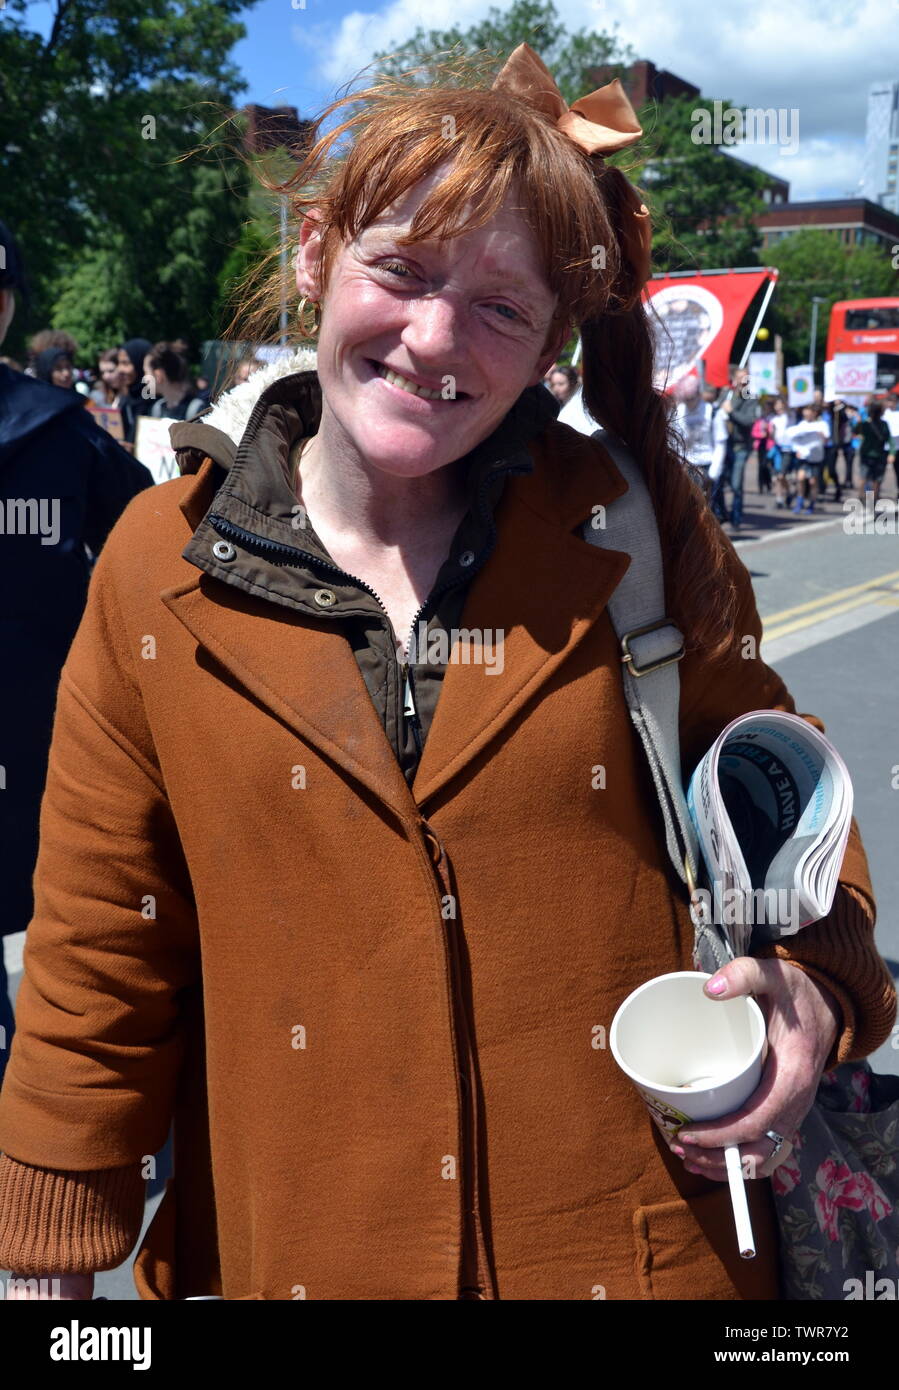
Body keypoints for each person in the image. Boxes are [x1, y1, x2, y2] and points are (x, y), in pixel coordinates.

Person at [0, 47, 893, 1303]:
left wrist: (812, 984)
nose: (434, 341)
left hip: (640, 1260)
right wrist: (51, 1270)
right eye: (402, 272)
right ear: (315, 253)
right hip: (298, 1255)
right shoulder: (159, 564)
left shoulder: (627, 535)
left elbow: (783, 790)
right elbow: (100, 948)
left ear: (546, 351)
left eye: (500, 308)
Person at [0, 220, 154, 1096]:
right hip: (39, 733)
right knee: (61, 921)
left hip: (44, 735)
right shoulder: (64, 433)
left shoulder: (67, 431)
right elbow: (152, 544)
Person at [710, 366, 759, 530]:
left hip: (740, 446)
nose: (742, 381)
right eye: (739, 377)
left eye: (745, 378)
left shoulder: (750, 397)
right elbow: (715, 410)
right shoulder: (727, 394)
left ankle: (736, 518)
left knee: (736, 483)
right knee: (720, 479)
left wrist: (731, 413)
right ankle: (722, 514)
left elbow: (748, 421)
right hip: (724, 444)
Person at [145, 341, 208, 421]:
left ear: (158, 375)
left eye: (146, 372)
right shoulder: (157, 409)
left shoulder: (196, 410)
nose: (145, 379)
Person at [673, 380, 715, 499]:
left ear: (698, 395)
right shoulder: (679, 410)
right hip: (687, 462)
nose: (689, 403)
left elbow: (719, 442)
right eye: (686, 399)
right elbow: (676, 440)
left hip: (706, 461)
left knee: (706, 500)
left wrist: (714, 472)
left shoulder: (710, 410)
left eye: (691, 399)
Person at [785, 405, 830, 513]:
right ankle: (799, 502)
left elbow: (826, 439)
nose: (806, 414)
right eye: (805, 412)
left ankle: (812, 504)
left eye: (809, 411)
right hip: (804, 457)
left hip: (816, 458)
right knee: (800, 478)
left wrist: (821, 435)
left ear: (814, 413)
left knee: (812, 482)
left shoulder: (821, 424)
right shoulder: (802, 425)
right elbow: (795, 439)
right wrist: (797, 450)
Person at [115, 337, 153, 443]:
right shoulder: (127, 399)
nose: (120, 369)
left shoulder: (153, 402)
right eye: (119, 363)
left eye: (125, 363)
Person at [857, 400, 891, 505]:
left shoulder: (865, 424)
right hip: (877, 455)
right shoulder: (882, 424)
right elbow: (888, 439)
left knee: (865, 477)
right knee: (876, 480)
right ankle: (871, 500)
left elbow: (855, 430)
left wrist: (859, 420)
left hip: (869, 455)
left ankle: (862, 497)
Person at [768, 396, 792, 509]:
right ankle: (779, 498)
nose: (778, 407)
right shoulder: (773, 419)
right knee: (778, 476)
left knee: (782, 475)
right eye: (776, 405)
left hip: (787, 449)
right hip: (777, 450)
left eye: (780, 405)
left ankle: (789, 492)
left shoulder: (790, 417)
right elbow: (772, 437)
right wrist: (771, 432)